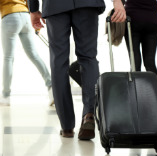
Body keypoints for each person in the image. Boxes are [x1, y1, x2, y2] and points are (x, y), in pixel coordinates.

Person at [28, 0, 126, 139]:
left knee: (58, 62)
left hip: (55, 5)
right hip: (87, 4)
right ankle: (89, 114)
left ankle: (67, 126)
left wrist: (33, 9)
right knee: (88, 58)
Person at [0, 0, 54, 106]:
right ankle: (51, 88)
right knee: (34, 55)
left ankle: (6, 96)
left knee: (8, 58)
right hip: (26, 17)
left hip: (10, 16)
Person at [124, 0, 157, 84]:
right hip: (152, 20)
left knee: (135, 63)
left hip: (132, 20)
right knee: (150, 62)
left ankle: (135, 95)